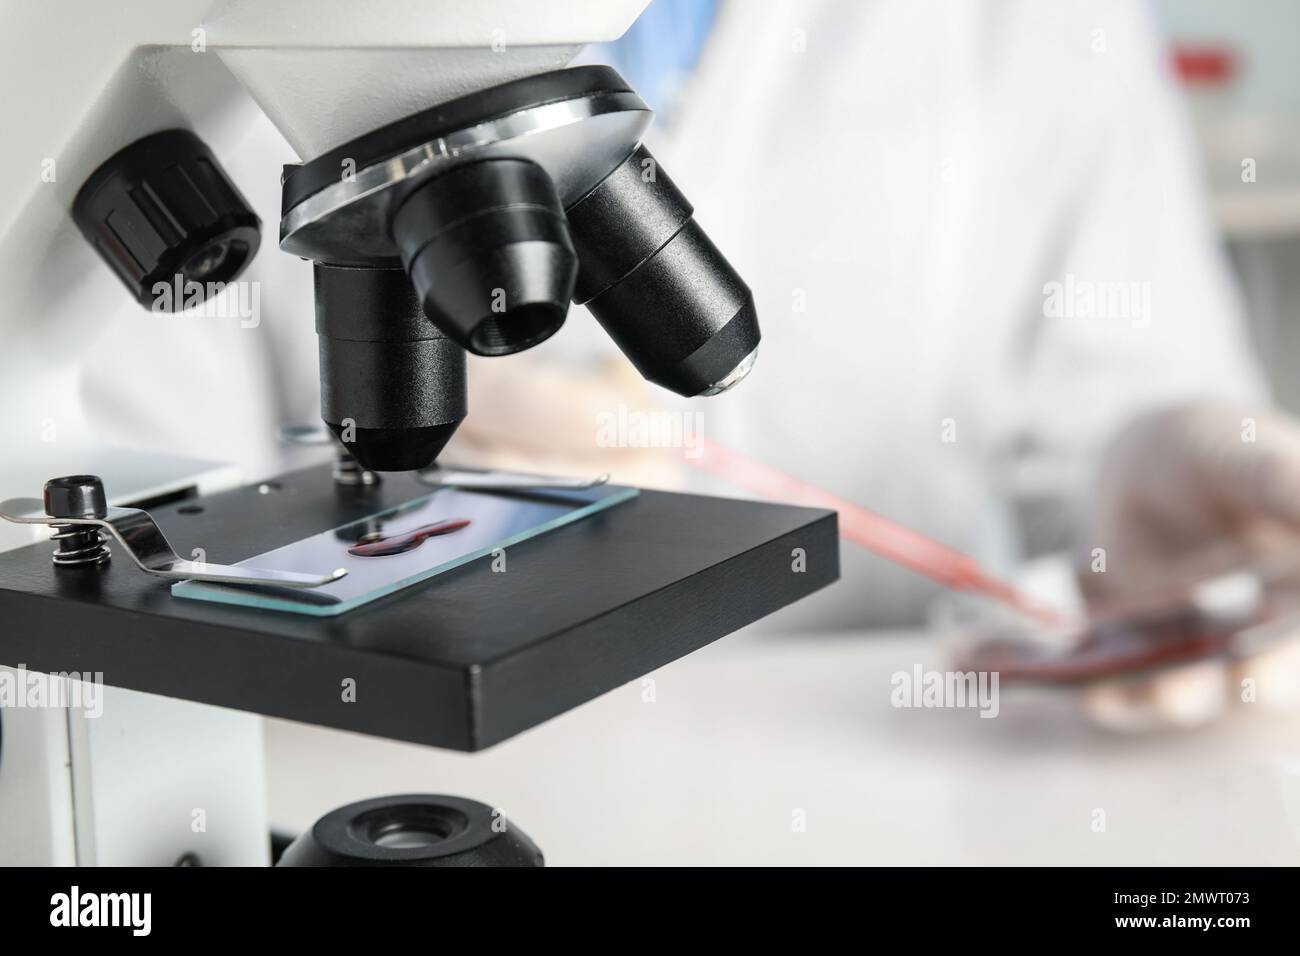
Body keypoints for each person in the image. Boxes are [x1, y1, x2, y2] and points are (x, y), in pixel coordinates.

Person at [78, 0, 1300, 631]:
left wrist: (1145, 484)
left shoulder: (1025, 25)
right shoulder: (133, 46)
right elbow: (115, 525)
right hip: (346, 782)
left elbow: (1110, 464)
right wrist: (358, 493)